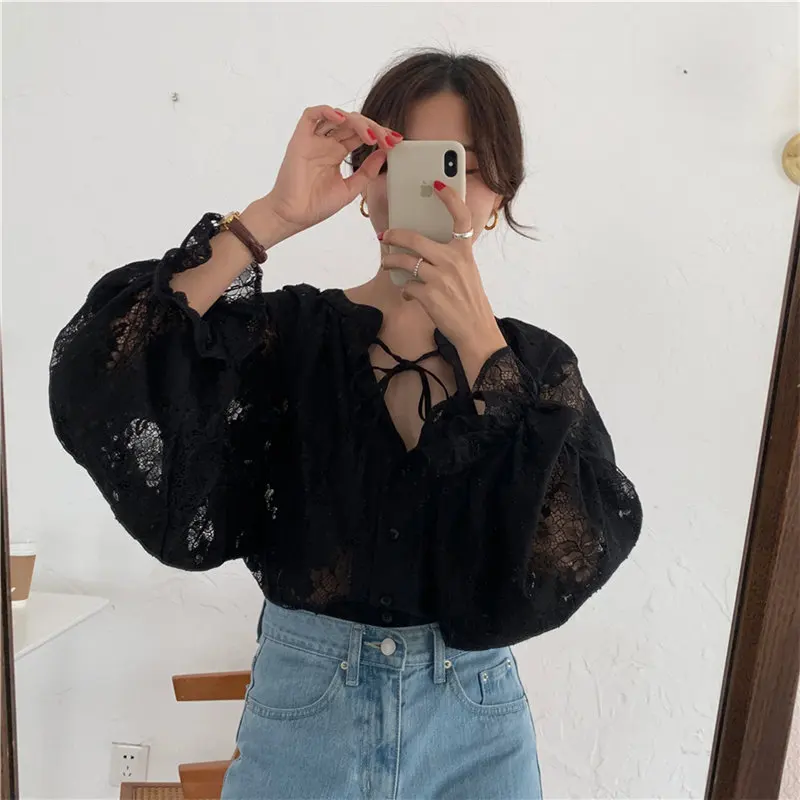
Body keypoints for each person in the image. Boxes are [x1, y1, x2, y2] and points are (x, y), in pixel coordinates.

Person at [48, 48, 643, 800]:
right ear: (369, 177)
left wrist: (480, 344)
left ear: (500, 194)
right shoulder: (290, 337)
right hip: (305, 719)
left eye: (460, 165)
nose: (436, 189)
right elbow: (105, 371)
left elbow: (576, 549)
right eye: (407, 157)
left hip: (476, 733)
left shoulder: (533, 372)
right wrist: (270, 217)